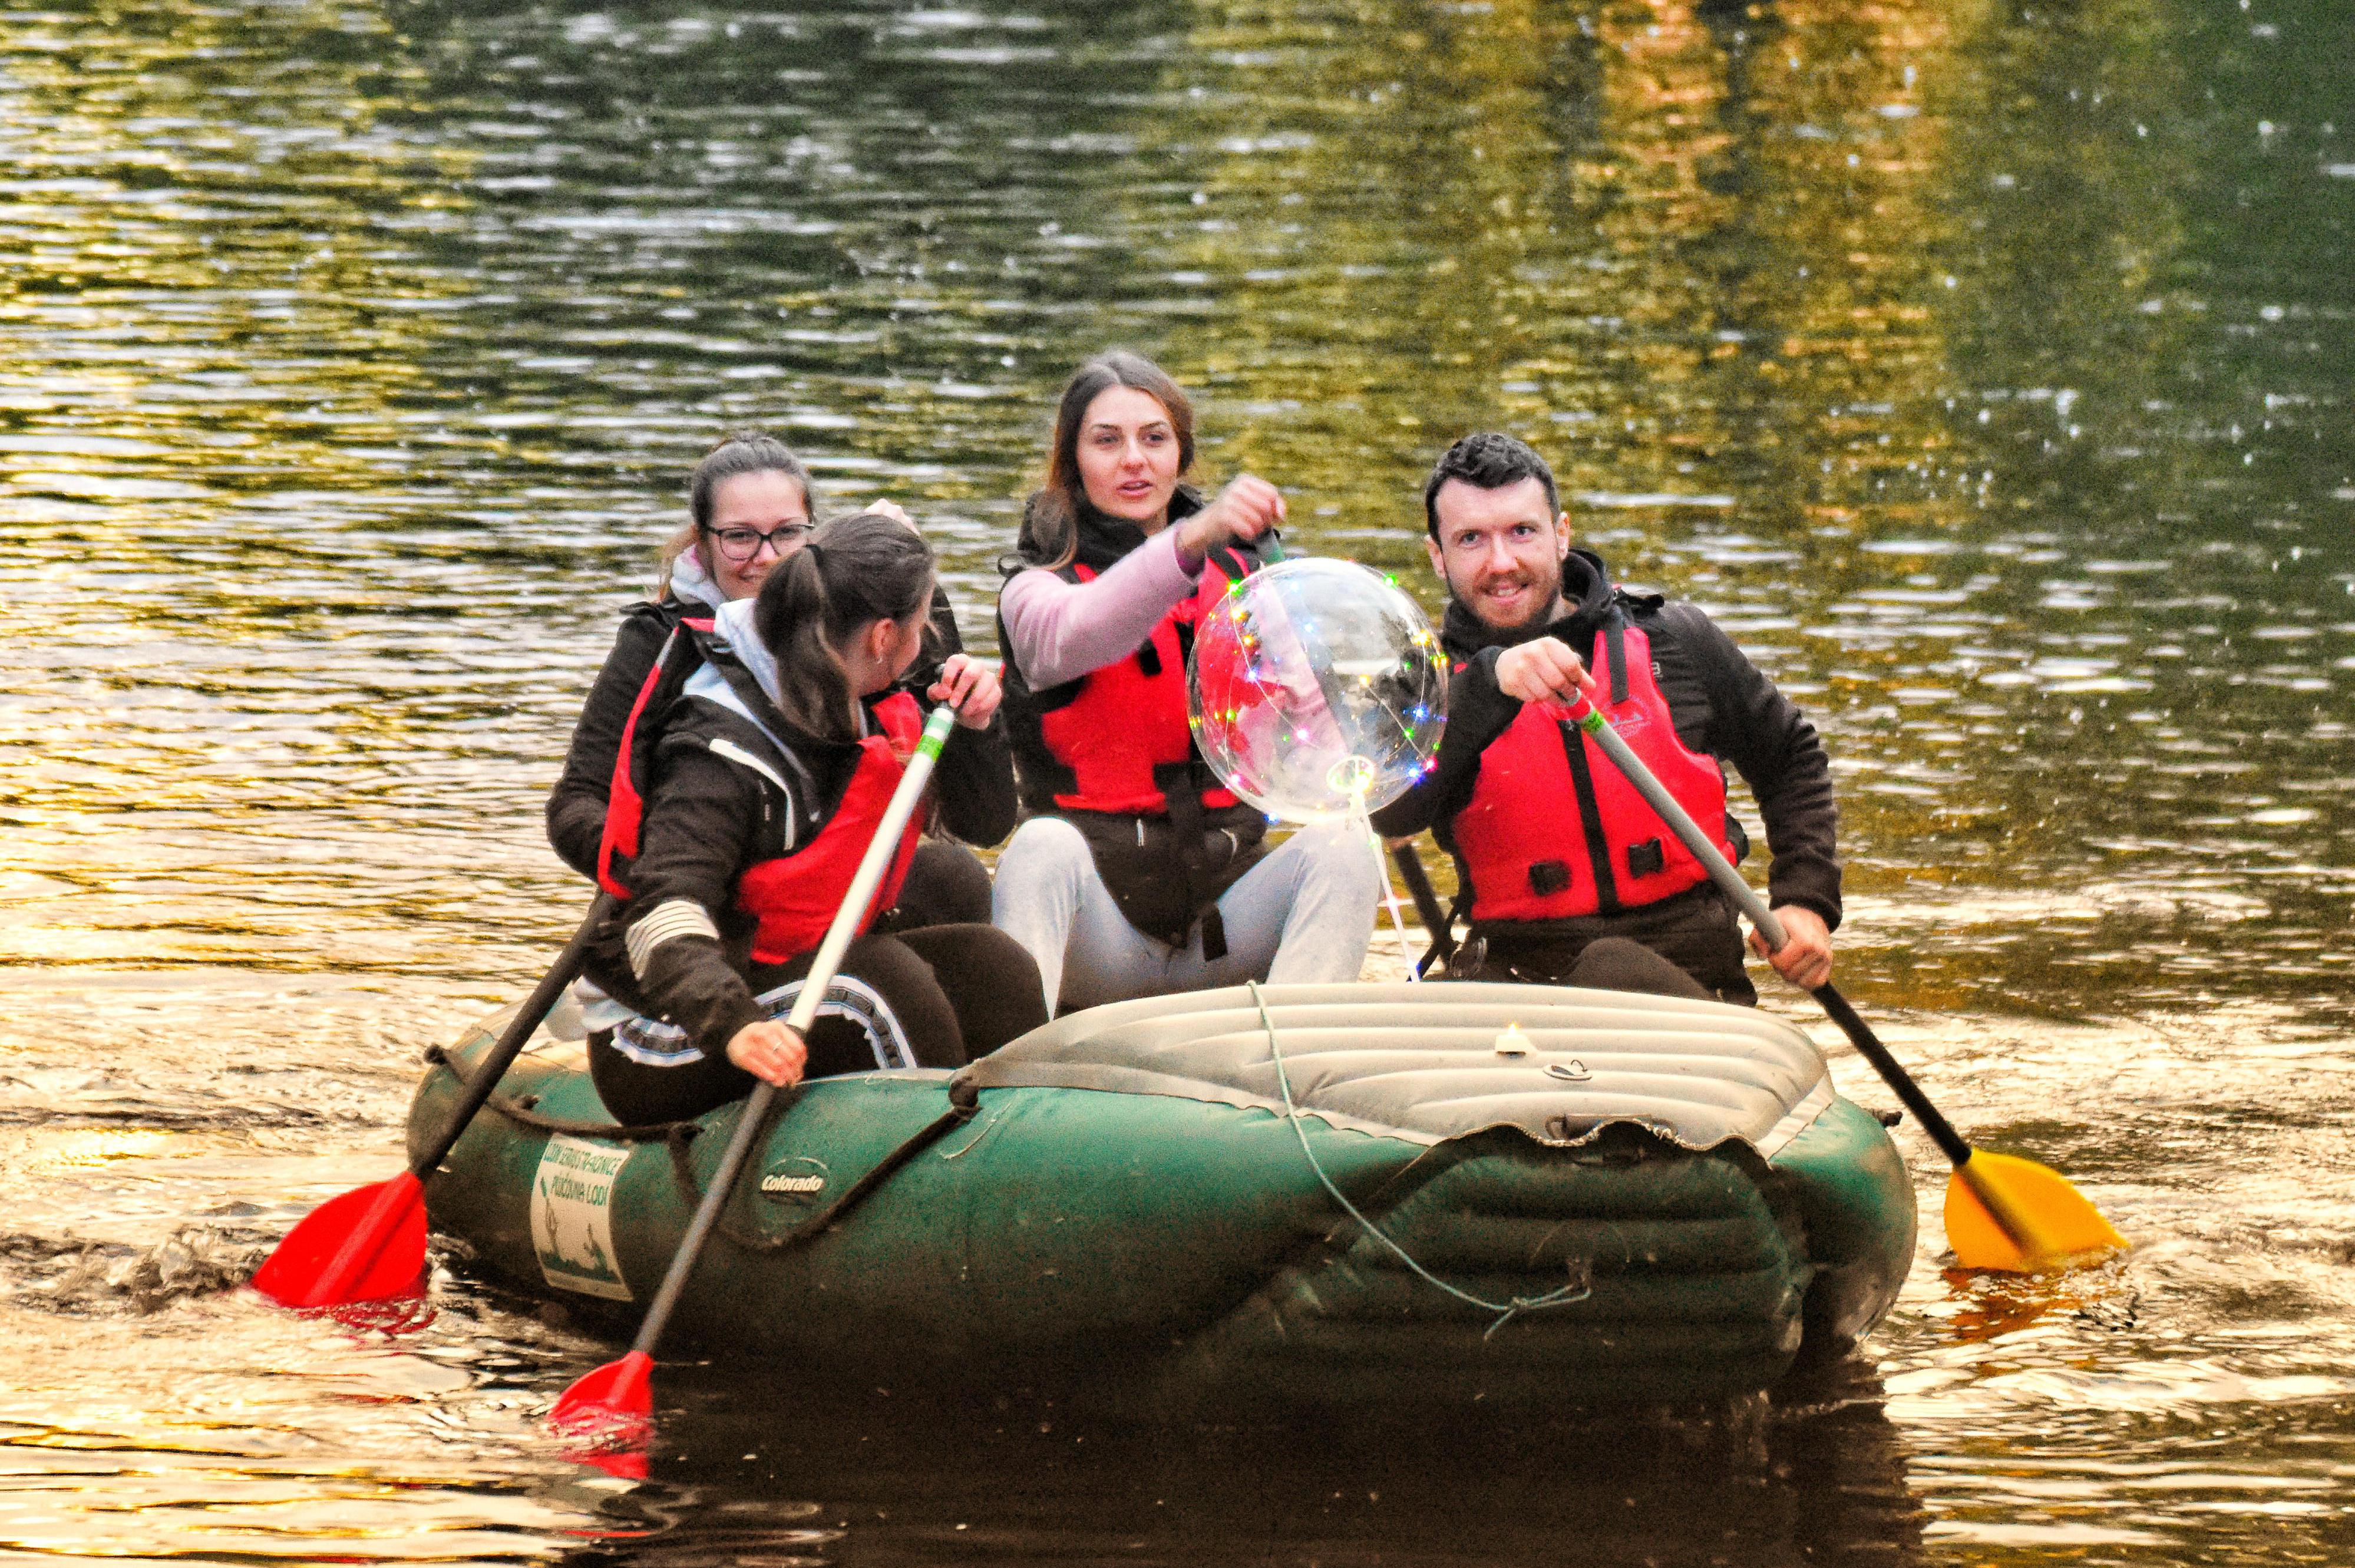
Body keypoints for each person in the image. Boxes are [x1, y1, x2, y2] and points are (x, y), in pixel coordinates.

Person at [581, 510, 1044, 1125]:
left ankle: (1021, 1144)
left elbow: (986, 824)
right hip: (670, 1027)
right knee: (882, 985)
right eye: (925, 620)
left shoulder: (869, 691)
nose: (932, 638)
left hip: (774, 971)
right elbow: (662, 911)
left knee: (995, 967)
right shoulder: (721, 749)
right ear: (883, 637)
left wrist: (979, 729)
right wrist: (735, 1025)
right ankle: (937, 1162)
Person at [1370, 433, 1839, 1005]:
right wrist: (1489, 685)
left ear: (1561, 535)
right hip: (1519, 989)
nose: (1501, 562)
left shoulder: (1676, 641)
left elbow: (1791, 759)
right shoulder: (1423, 688)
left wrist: (1806, 900)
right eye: (1471, 539)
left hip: (1691, 986)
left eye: (1522, 531)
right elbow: (1391, 812)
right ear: (1437, 556)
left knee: (1609, 965)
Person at [992, 351, 1382, 1015]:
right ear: (1073, 462)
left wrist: (1336, 744)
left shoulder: (1248, 584)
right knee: (1039, 846)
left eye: (1154, 438)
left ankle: (1285, 1065)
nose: (1133, 460)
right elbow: (1090, 629)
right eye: (1106, 441)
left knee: (1349, 844)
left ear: (1180, 453)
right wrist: (1191, 539)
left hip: (1220, 932)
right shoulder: (1034, 594)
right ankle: (1008, 1070)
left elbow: (1321, 744)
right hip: (1099, 943)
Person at [545, 429, 988, 929]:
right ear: (702, 541)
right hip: (705, 907)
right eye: (739, 536)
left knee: (955, 875)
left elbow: (982, 823)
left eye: (787, 533)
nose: (767, 557)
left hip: (827, 892)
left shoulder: (863, 634)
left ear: (813, 536)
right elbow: (575, 805)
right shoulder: (658, 640)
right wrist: (684, 870)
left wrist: (917, 585)